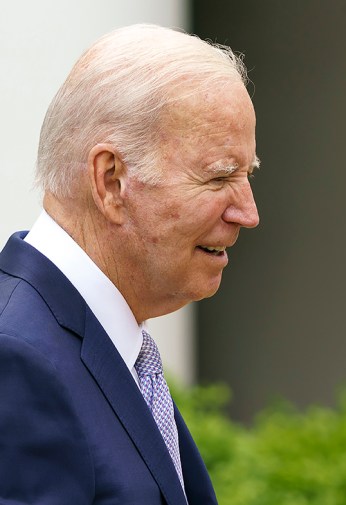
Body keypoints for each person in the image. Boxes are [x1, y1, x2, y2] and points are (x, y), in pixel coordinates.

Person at [0, 24, 259, 504]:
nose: (248, 212)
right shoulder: (18, 359)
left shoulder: (102, 343)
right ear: (111, 180)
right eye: (220, 176)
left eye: (247, 174)